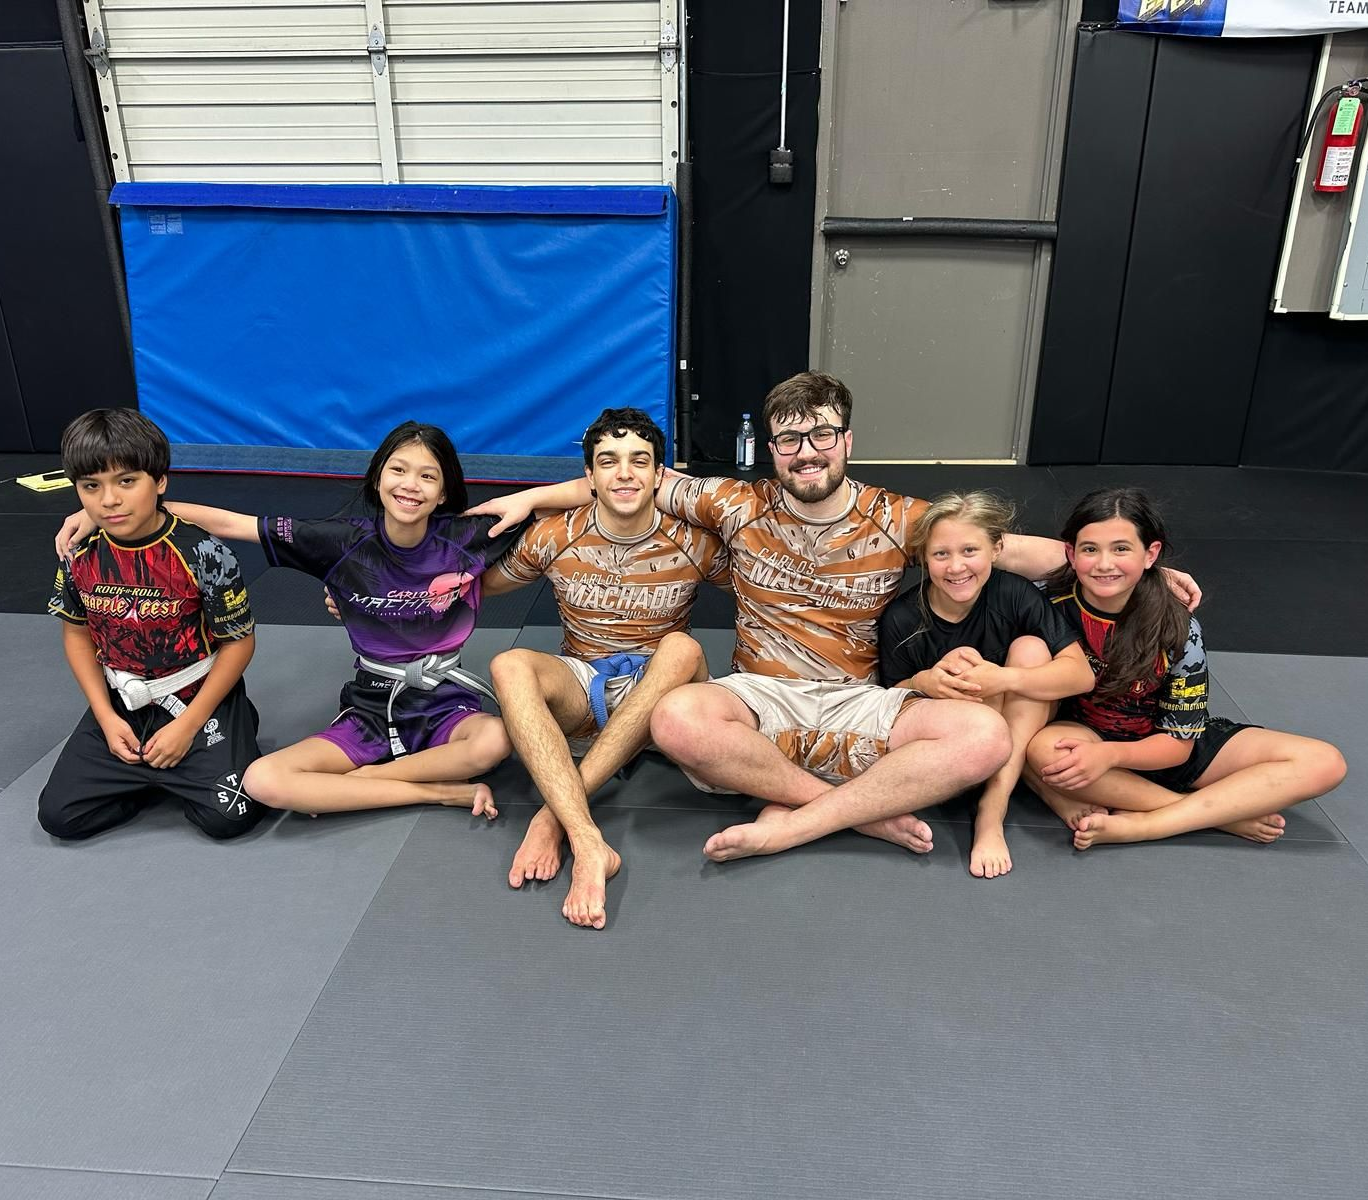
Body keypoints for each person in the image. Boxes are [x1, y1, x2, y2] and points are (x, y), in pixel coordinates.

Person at [473, 373, 1190, 863]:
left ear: (846, 441)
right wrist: (535, 500)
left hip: (860, 698)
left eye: (821, 435)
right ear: (772, 451)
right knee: (678, 719)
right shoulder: (734, 503)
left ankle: (798, 821)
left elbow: (1008, 551)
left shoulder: (900, 519)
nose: (805, 451)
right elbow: (630, 480)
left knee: (981, 736)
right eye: (789, 439)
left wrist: (1128, 565)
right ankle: (861, 811)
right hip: (760, 692)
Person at [56, 421, 524, 817]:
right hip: (371, 708)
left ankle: (366, 781)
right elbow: (233, 524)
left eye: (427, 476)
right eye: (398, 470)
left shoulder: (468, 535)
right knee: (263, 779)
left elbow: (589, 491)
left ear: (444, 492)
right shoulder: (338, 540)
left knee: (495, 739)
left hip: (444, 703)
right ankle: (436, 790)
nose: (410, 484)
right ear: (377, 477)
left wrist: (527, 499)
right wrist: (107, 514)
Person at [482, 408, 728, 929]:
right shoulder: (554, 534)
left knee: (682, 647)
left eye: (640, 461)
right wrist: (365, 594)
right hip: (584, 684)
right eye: (609, 462)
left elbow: (768, 590)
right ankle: (590, 839)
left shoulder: (693, 540)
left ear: (661, 475)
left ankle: (555, 816)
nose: (625, 473)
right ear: (588, 477)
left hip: (665, 699)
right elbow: (472, 590)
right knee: (508, 663)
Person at [1024, 488, 1345, 849]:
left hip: (1158, 744)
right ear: (1070, 553)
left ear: (1151, 554)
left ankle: (1150, 824)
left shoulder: (1178, 628)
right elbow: (991, 548)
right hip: (1084, 738)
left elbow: (1178, 745)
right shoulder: (1046, 602)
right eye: (1089, 549)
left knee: (1324, 762)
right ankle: (1215, 815)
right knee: (1043, 751)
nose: (1104, 564)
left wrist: (1113, 755)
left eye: (1121, 548)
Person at [41, 408, 264, 840]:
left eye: (126, 481)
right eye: (91, 486)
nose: (109, 500)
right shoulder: (79, 554)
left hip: (197, 697)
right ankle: (150, 778)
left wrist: (188, 725)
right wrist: (105, 716)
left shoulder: (202, 552)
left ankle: (236, 721)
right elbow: (76, 634)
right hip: (123, 699)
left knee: (228, 818)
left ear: (159, 481)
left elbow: (239, 644)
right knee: (60, 816)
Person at [877, 491, 1095, 879]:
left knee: (1029, 647)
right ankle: (1030, 781)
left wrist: (1003, 677)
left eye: (970, 551)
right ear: (924, 558)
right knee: (968, 666)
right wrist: (926, 682)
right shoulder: (903, 618)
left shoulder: (1014, 593)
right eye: (941, 554)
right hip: (961, 739)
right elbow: (888, 696)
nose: (957, 567)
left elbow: (1081, 674)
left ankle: (992, 809)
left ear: (996, 549)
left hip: (1020, 718)